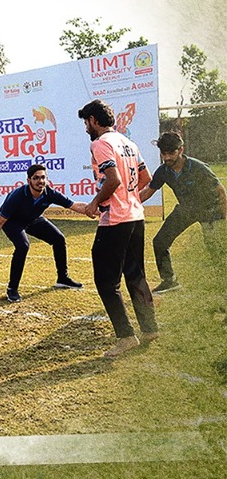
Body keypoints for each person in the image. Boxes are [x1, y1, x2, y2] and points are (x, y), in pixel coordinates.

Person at [73, 99, 158, 356]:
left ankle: (125, 336)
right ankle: (150, 328)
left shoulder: (100, 143)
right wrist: (131, 201)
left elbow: (114, 179)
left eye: (86, 122)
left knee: (106, 281)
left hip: (116, 221)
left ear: (94, 121)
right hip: (135, 218)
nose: (86, 127)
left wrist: (94, 203)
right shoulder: (128, 143)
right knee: (136, 275)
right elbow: (146, 179)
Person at [0, 163, 83, 302]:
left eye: (43, 178)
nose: (40, 181)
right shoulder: (17, 196)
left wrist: (93, 209)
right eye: (36, 178)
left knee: (58, 238)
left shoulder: (49, 193)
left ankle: (62, 278)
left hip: (32, 219)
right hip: (12, 222)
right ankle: (12, 289)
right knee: (23, 246)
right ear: (29, 181)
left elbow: (74, 205)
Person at [145, 130, 227, 292]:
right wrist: (124, 203)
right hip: (186, 210)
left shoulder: (198, 167)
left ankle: (222, 284)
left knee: (216, 249)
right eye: (164, 153)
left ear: (181, 150)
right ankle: (170, 281)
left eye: (171, 153)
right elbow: (147, 192)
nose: (167, 157)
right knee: (160, 241)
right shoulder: (163, 171)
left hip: (210, 211)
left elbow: (221, 192)